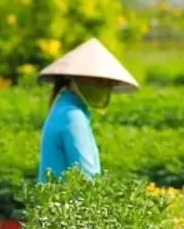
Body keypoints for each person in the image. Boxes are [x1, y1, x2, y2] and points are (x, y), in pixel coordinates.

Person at [35, 38, 138, 181]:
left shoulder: (63, 107)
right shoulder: (72, 117)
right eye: (97, 80)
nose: (102, 86)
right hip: (65, 203)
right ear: (76, 78)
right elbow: (87, 178)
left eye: (107, 82)